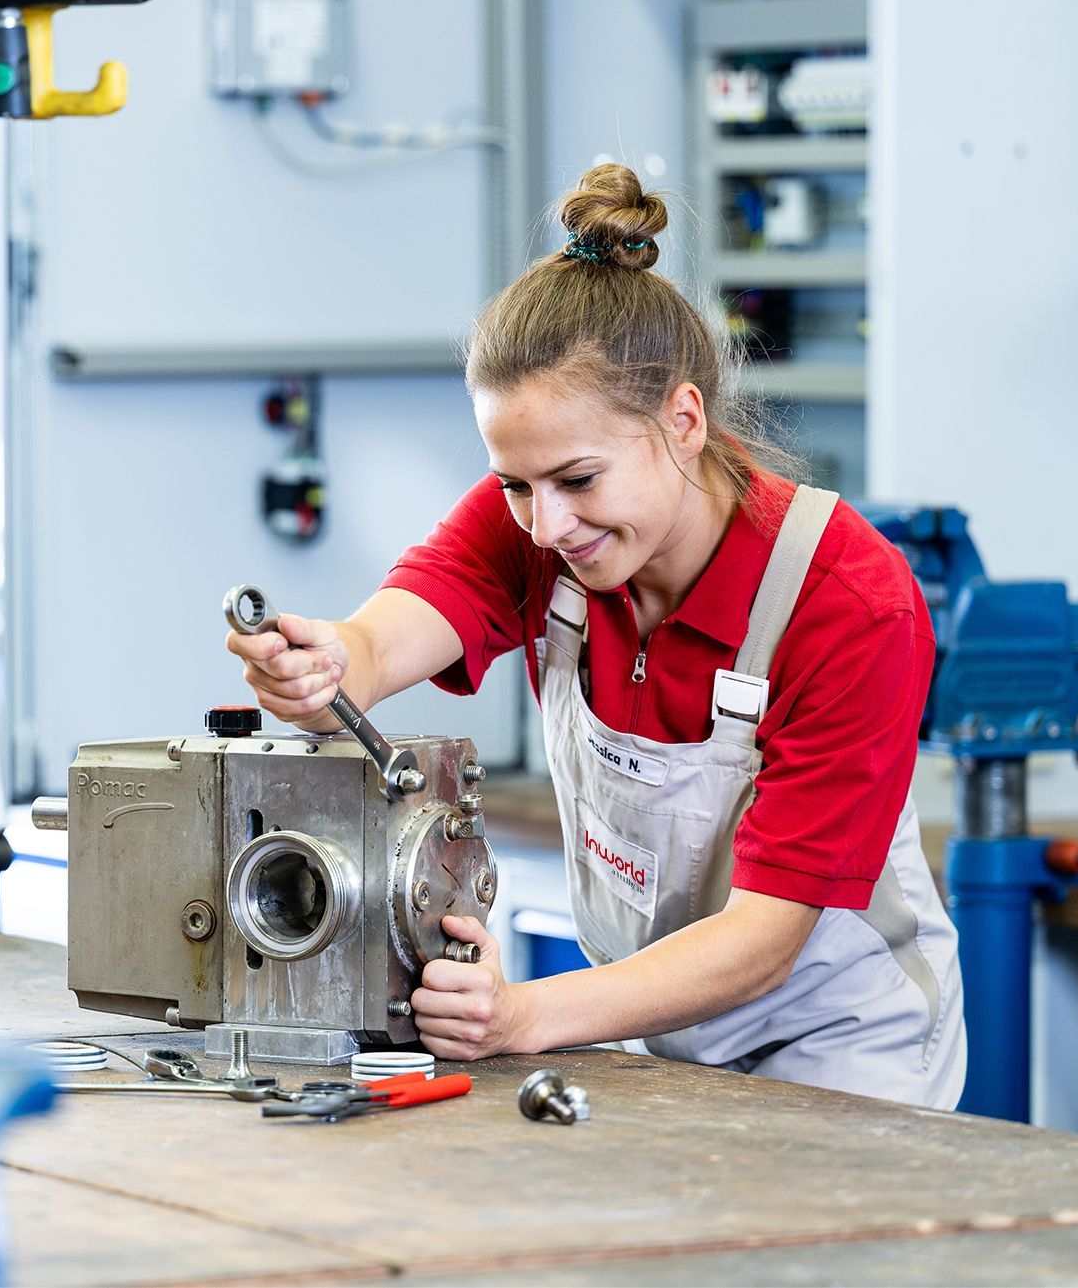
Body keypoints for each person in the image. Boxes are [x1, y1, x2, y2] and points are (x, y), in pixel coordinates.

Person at [224, 164, 965, 1108]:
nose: (546, 526)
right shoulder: (544, 520)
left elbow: (765, 937)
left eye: (577, 480)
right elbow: (378, 644)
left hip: (840, 1049)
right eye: (514, 485)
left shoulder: (850, 600)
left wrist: (523, 1015)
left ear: (683, 420)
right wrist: (329, 666)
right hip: (651, 1037)